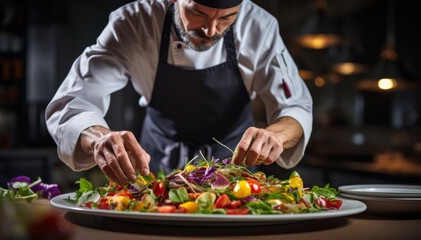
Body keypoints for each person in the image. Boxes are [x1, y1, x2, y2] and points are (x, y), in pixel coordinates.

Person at [45, 0, 313, 185]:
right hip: (153, 170)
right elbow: (73, 102)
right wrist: (99, 139)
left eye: (227, 18)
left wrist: (274, 135)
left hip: (234, 177)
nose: (211, 31)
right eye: (198, 13)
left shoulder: (260, 26)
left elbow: (295, 107)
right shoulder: (134, 22)